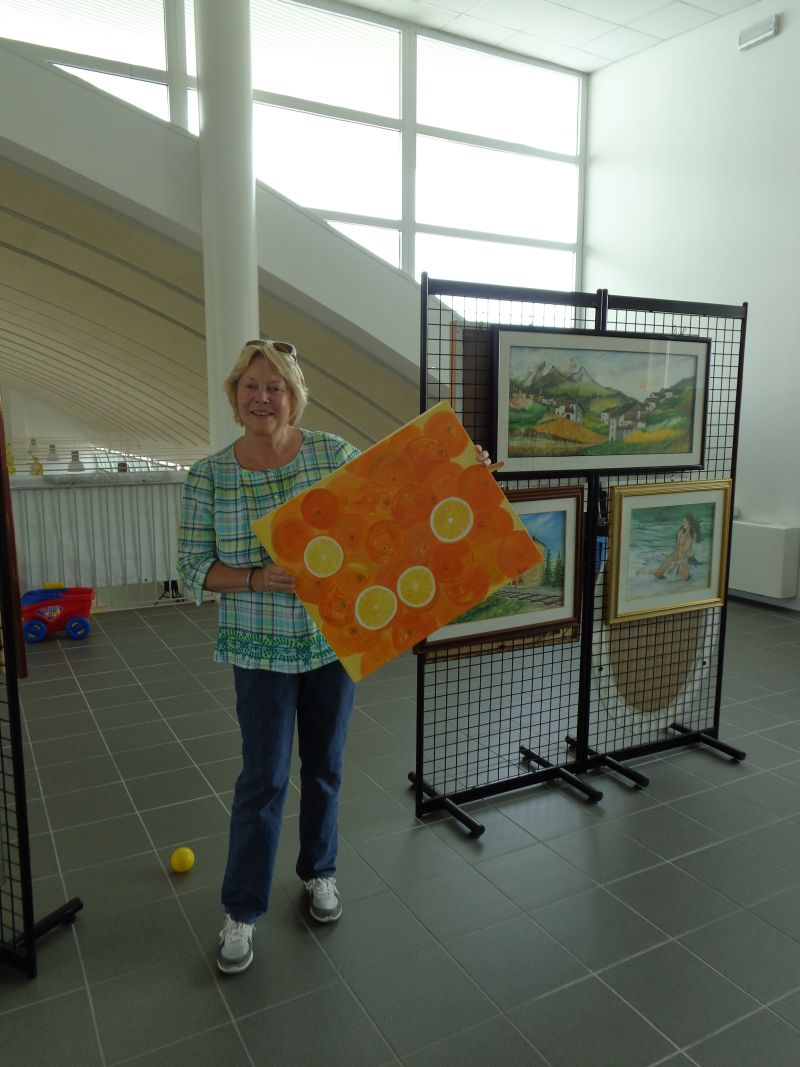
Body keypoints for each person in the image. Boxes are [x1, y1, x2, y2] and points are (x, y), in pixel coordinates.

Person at [178, 337, 491, 976]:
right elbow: (190, 570)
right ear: (235, 396)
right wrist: (255, 578)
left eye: (275, 387)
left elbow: (398, 496)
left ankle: (319, 871)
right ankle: (242, 909)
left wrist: (466, 468)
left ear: (293, 397)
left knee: (324, 766)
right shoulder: (209, 476)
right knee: (263, 779)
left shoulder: (329, 454)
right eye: (251, 386)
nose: (262, 398)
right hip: (260, 649)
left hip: (329, 642)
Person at [652, 513, 701, 580]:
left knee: (686, 578)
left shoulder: (691, 537)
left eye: (685, 522)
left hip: (682, 560)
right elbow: (677, 547)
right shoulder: (680, 532)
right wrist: (674, 562)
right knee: (658, 574)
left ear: (689, 524)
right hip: (675, 556)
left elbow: (685, 552)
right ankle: (645, 571)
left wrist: (677, 563)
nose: (683, 524)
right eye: (683, 522)